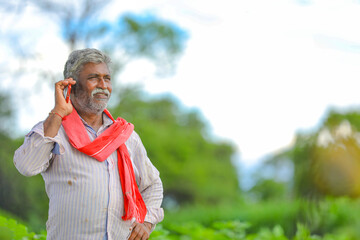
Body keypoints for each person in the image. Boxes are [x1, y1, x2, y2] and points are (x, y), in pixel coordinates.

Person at [13, 48, 164, 240]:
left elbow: (153, 184)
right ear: (71, 85)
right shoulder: (54, 130)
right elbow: (26, 166)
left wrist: (147, 222)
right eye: (94, 78)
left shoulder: (125, 135)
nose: (103, 85)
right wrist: (58, 112)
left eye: (107, 78)